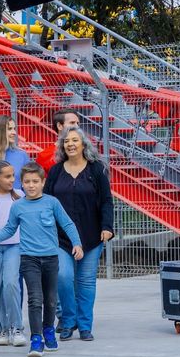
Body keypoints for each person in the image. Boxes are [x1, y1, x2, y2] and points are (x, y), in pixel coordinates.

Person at [0, 162, 83, 357]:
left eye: (35, 181)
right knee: (35, 299)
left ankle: (48, 330)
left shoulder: (52, 203)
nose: (31, 185)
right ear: (22, 183)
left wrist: (77, 243)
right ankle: (36, 339)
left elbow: (67, 224)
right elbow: (9, 229)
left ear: (43, 182)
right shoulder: (18, 206)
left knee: (50, 299)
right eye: (27, 182)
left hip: (51, 258)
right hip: (29, 259)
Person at [44, 127, 114, 341]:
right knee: (63, 276)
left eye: (75, 140)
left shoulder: (97, 170)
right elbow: (46, 202)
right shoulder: (55, 171)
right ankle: (68, 320)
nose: (70, 144)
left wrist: (107, 227)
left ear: (84, 144)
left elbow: (106, 201)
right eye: (66, 141)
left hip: (91, 236)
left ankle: (85, 326)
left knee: (86, 281)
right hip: (61, 238)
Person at [0, 159, 26, 347]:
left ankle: (17, 327)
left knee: (10, 283)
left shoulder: (20, 196)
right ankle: (2, 328)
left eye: (13, 176)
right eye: (7, 176)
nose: (12, 180)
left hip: (14, 246)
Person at [0, 115, 29, 189]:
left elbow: (28, 183)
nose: (14, 132)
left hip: (17, 196)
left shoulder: (22, 155)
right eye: (10, 129)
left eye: (14, 129)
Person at [35, 108, 80, 174]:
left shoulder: (86, 151)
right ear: (59, 126)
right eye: (72, 123)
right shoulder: (44, 156)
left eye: (78, 123)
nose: (77, 126)